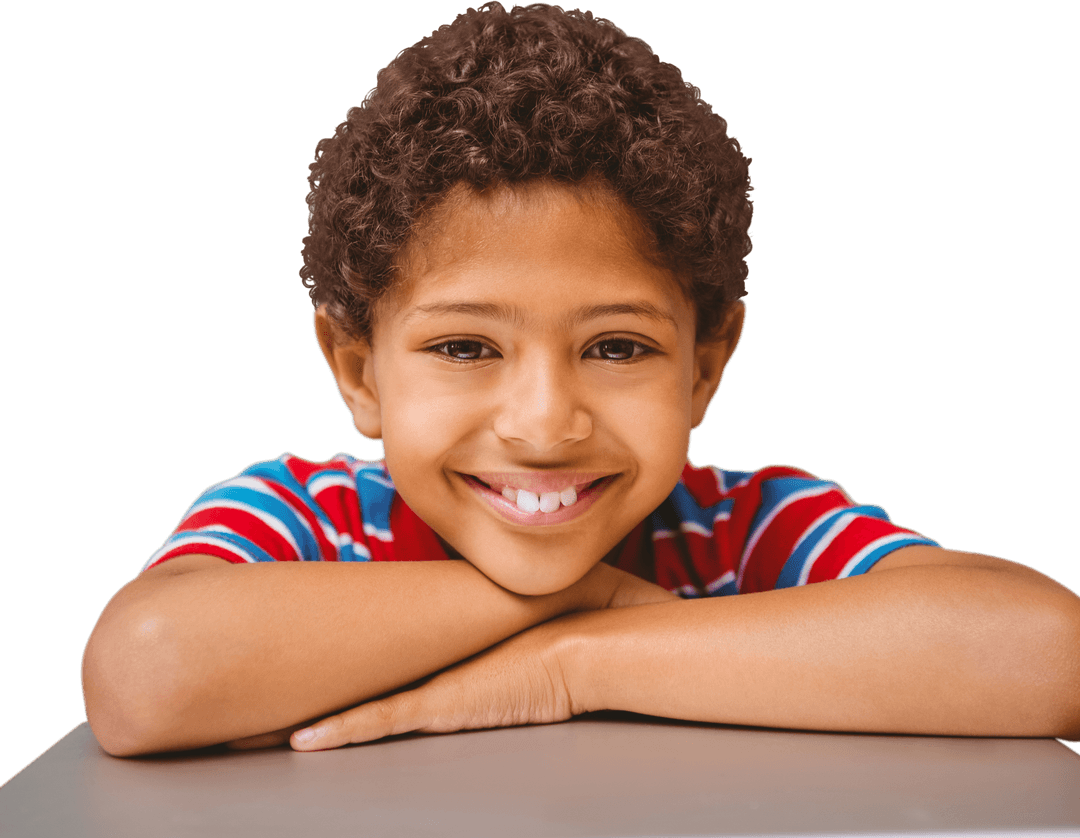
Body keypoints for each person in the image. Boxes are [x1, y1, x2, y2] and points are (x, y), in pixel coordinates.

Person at [81, 2, 1080, 757]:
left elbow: (1046, 654)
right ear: (358, 369)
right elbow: (146, 675)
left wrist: (575, 663)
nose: (545, 422)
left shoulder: (741, 534)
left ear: (704, 366)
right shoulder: (308, 521)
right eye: (466, 348)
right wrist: (590, 596)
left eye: (616, 347)